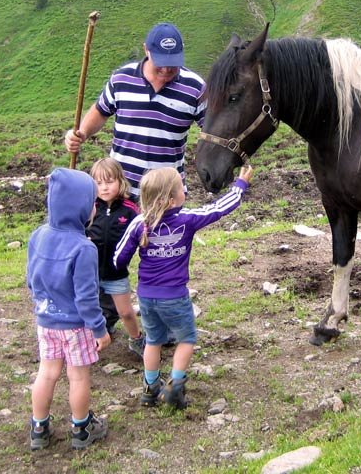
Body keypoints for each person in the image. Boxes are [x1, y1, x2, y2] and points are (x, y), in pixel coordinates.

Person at [114, 165, 254, 409]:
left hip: (146, 295)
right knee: (186, 339)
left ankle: (150, 388)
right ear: (171, 200)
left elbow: (119, 257)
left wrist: (119, 272)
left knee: (153, 341)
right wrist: (240, 185)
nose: (185, 190)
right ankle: (174, 388)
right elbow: (219, 209)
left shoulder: (139, 224)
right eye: (181, 187)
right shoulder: (186, 219)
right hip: (175, 296)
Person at [64, 22, 205, 201]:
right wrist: (81, 134)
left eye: (173, 63)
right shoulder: (122, 78)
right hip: (121, 192)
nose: (167, 69)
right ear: (146, 50)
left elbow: (213, 129)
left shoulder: (196, 87)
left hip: (165, 196)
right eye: (160, 63)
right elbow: (101, 110)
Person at [27, 168, 111, 451]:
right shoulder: (83, 248)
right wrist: (99, 329)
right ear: (81, 208)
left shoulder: (37, 236)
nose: (95, 206)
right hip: (76, 326)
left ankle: (39, 427)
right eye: (92, 202)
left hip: (46, 320)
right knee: (78, 376)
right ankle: (82, 427)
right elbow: (86, 299)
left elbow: (31, 279)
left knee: (46, 373)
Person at [87, 157, 145, 357]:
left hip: (116, 273)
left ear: (120, 180)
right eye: (98, 182)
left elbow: (142, 231)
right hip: (89, 273)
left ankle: (137, 339)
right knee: (88, 310)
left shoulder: (130, 208)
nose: (104, 188)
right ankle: (92, 338)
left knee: (126, 313)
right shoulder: (89, 206)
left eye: (109, 181)